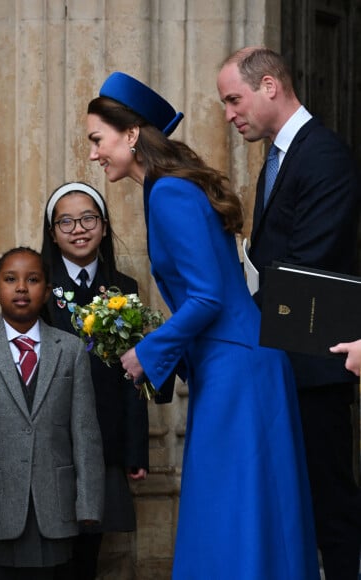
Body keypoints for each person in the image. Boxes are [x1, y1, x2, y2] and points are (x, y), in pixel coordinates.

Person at [86, 71, 320, 579]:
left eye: (96, 140)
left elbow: (209, 296)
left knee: (233, 515)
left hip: (239, 368)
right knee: (239, 512)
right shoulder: (167, 191)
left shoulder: (169, 194)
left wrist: (147, 352)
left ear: (130, 135)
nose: (93, 154)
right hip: (233, 364)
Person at [217, 47, 361, 580]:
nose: (229, 114)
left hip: (316, 363)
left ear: (270, 86)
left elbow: (309, 264)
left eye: (234, 99)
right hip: (284, 360)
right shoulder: (279, 157)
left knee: (330, 503)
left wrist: (233, 310)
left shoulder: (321, 154)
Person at [0, 247, 105, 580]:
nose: (21, 288)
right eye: (10, 279)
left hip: (55, 506)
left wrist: (88, 503)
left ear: (46, 291)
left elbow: (85, 432)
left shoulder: (71, 350)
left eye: (32, 280)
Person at [40, 181, 149, 580]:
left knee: (88, 552)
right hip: (52, 439)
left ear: (103, 226)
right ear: (52, 233)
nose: (78, 229)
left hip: (104, 438)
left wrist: (135, 451)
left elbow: (134, 377)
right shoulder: (36, 287)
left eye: (88, 218)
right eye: (65, 222)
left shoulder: (126, 289)